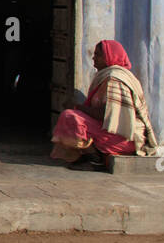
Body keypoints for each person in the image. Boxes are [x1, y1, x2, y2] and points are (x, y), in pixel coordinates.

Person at [50, 39, 158, 170]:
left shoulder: (115, 79)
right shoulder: (107, 76)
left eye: (98, 54)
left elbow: (107, 114)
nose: (94, 57)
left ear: (109, 56)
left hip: (124, 138)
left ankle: (94, 159)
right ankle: (91, 155)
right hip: (116, 134)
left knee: (70, 117)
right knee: (73, 117)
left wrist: (77, 107)